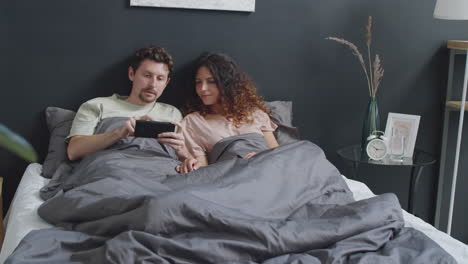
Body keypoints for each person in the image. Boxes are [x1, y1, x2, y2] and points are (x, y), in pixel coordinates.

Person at [67, 46, 190, 161]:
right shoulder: (98, 105)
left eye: (160, 78)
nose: (153, 85)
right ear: (131, 74)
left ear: (166, 82)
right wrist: (118, 133)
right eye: (147, 75)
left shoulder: (172, 113)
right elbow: (73, 151)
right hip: (113, 167)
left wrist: (183, 153)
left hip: (160, 171)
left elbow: (184, 159)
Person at [177, 52, 279, 173]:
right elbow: (203, 173)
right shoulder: (193, 122)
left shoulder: (255, 113)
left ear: (227, 83)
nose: (203, 88)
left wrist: (260, 158)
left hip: (269, 170)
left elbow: (278, 155)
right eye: (198, 82)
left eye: (211, 81)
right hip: (233, 177)